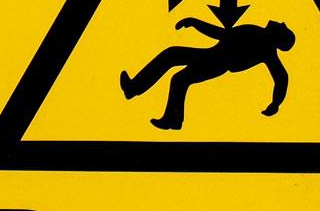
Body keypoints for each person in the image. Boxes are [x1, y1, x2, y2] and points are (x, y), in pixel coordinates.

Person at [121, 17, 295, 130]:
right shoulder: (257, 34)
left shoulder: (264, 46)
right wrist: (195, 23)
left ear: (279, 37)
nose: (280, 22)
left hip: (216, 62)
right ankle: (164, 112)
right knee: (174, 63)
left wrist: (275, 103)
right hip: (212, 56)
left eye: (283, 27)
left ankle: (167, 115)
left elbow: (282, 77)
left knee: (178, 73)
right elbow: (223, 35)